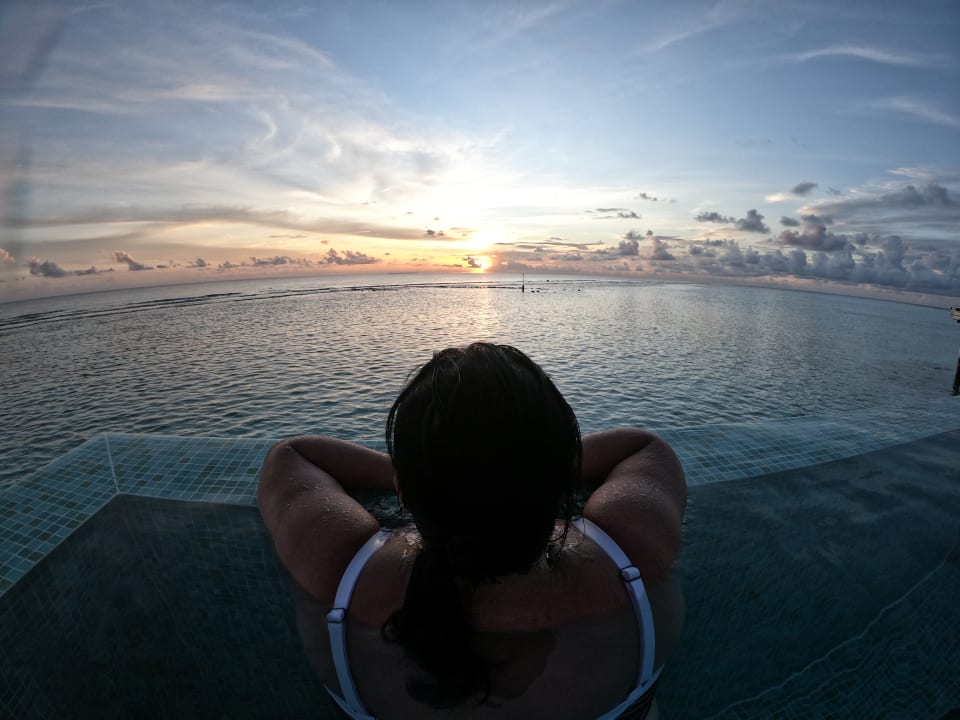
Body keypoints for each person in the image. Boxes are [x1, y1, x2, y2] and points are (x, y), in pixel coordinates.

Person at [258, 343, 687, 719]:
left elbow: (292, 456)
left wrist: (432, 473)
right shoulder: (633, 550)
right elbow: (643, 446)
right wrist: (529, 473)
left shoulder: (338, 571)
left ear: (403, 489)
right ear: (562, 481)